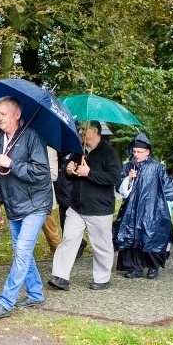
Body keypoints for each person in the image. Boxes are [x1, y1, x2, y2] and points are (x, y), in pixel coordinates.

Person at [0, 96, 52, 318]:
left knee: (22, 251)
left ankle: (5, 301)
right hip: (13, 203)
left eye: (3, 114)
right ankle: (35, 293)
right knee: (22, 251)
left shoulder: (32, 137)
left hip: (36, 204)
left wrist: (11, 163)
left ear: (17, 115)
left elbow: (42, 172)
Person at [48, 120, 121, 291]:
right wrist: (69, 171)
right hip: (76, 207)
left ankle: (102, 278)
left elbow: (114, 178)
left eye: (83, 129)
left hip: (99, 208)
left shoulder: (108, 153)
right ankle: (60, 276)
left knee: (101, 245)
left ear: (94, 131)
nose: (80, 132)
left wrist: (89, 173)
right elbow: (71, 173)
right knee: (68, 240)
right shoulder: (79, 150)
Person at [113, 133, 173, 280]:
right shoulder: (129, 167)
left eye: (139, 152)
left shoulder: (157, 167)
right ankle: (135, 267)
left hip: (152, 209)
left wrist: (169, 204)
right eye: (134, 152)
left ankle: (153, 267)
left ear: (147, 151)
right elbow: (121, 190)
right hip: (131, 210)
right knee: (132, 237)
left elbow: (166, 187)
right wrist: (129, 178)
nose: (136, 155)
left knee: (150, 236)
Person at [41, 146, 63, 254]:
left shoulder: (50, 150)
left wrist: (30, 172)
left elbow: (54, 175)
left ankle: (61, 261)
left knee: (52, 235)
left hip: (44, 198)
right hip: (24, 199)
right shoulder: (21, 147)